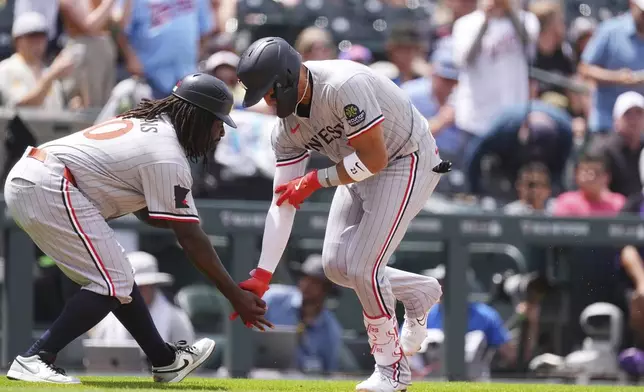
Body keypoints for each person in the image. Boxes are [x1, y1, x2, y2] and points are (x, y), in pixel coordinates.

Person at [3, 73, 272, 384]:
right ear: (197, 117)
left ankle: (165, 360)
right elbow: (190, 239)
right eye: (217, 122)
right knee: (112, 280)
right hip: (49, 183)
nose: (220, 133)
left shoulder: (152, 126)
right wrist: (235, 295)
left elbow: (152, 214)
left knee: (118, 277)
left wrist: (179, 218)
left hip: (39, 178)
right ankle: (37, 357)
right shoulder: (167, 155)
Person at [233, 37, 445, 391]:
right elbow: (283, 201)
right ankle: (418, 291)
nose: (267, 103)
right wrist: (262, 274)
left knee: (362, 266)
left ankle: (392, 371)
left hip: (405, 157)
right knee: (334, 266)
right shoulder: (285, 130)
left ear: (286, 77)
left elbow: (375, 158)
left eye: (269, 92)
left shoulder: (343, 85)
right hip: (355, 166)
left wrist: (316, 180)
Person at [89, 251, 195, 345]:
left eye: (140, 288)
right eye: (131, 289)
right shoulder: (108, 320)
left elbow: (188, 359)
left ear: (153, 287)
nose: (135, 294)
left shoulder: (176, 319)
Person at [263, 254, 343, 374]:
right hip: (262, 374)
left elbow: (328, 374)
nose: (307, 285)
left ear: (326, 289)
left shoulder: (331, 329)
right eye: (305, 278)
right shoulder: (272, 299)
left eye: (315, 282)